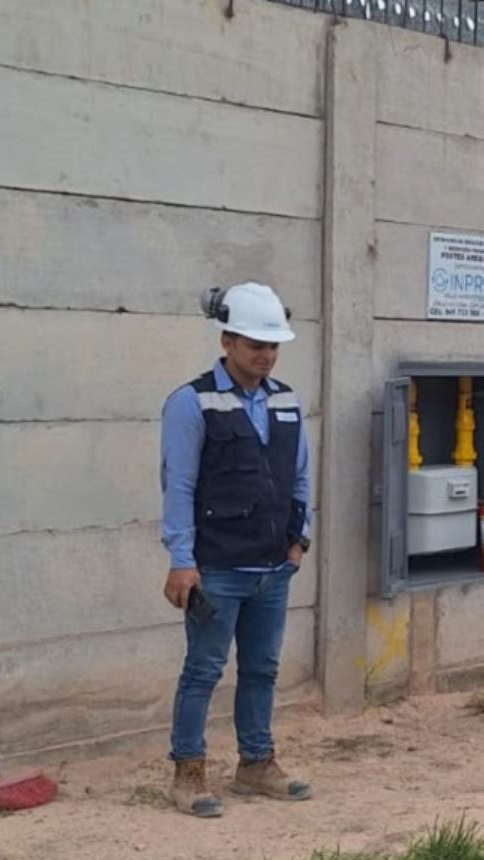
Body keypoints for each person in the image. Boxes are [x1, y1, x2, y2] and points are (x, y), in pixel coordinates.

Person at [159, 283, 313, 818]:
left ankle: (255, 763)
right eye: (254, 345)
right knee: (203, 671)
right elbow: (178, 484)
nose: (266, 355)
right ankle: (188, 773)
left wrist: (299, 540)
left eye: (273, 346)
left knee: (262, 670)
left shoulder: (286, 401)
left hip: (273, 567)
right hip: (218, 568)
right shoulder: (191, 402)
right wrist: (181, 560)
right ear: (227, 341)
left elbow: (298, 477)